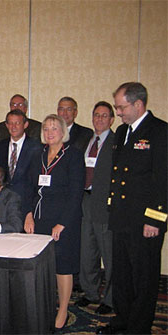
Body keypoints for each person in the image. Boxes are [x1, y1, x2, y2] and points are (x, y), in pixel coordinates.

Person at [96, 82, 167, 335]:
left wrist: (155, 220)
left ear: (138, 104)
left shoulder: (159, 132)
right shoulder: (123, 132)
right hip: (121, 218)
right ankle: (122, 321)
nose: (118, 112)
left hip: (144, 221)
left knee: (143, 279)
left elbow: (163, 180)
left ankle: (138, 328)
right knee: (122, 276)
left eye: (121, 107)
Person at [24, 114, 85, 331]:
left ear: (63, 132)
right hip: (39, 218)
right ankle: (47, 304)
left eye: (54, 128)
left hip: (62, 219)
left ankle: (63, 308)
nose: (50, 133)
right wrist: (28, 214)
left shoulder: (73, 156)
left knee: (62, 265)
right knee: (43, 264)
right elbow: (29, 188)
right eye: (46, 129)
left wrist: (63, 223)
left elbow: (76, 193)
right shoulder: (37, 154)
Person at [76, 101, 115, 315]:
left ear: (111, 120)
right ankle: (90, 292)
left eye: (104, 116)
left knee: (108, 253)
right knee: (87, 250)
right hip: (85, 201)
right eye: (96, 115)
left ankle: (110, 298)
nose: (99, 119)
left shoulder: (116, 142)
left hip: (105, 205)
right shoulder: (87, 141)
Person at [0, 109, 41, 219]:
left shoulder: (36, 147)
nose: (13, 127)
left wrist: (31, 210)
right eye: (10, 123)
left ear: (25, 124)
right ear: (6, 125)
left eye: (17, 123)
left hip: (26, 205)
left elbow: (36, 182)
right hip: (3, 204)